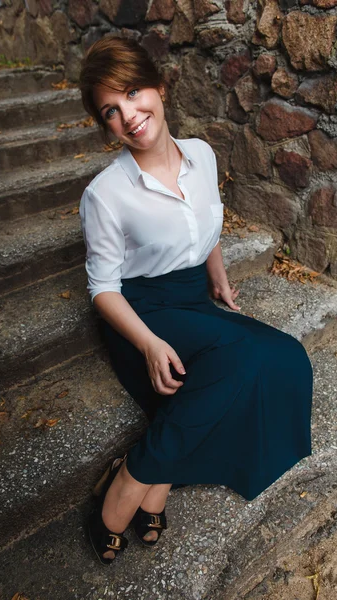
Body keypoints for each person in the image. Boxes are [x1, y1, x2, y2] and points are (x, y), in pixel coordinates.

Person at [78, 34, 313, 566]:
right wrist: (148, 344)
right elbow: (103, 288)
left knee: (286, 358)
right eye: (110, 111)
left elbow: (205, 228)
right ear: (105, 125)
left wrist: (219, 277)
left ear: (159, 87)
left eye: (133, 92)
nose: (128, 116)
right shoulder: (106, 193)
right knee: (241, 362)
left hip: (193, 301)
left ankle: (150, 470)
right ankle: (135, 481)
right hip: (141, 313)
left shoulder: (202, 155)